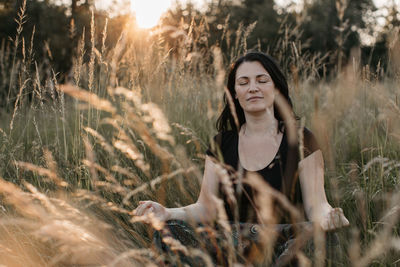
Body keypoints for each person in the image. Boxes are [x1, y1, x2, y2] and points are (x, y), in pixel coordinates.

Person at [134, 52, 349, 264]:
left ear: (275, 88)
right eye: (243, 82)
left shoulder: (301, 139)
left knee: (323, 236)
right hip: (232, 243)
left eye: (262, 80)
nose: (253, 88)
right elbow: (205, 207)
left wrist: (328, 216)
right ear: (235, 93)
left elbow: (317, 205)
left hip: (286, 243)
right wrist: (166, 212)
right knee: (170, 229)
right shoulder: (222, 143)